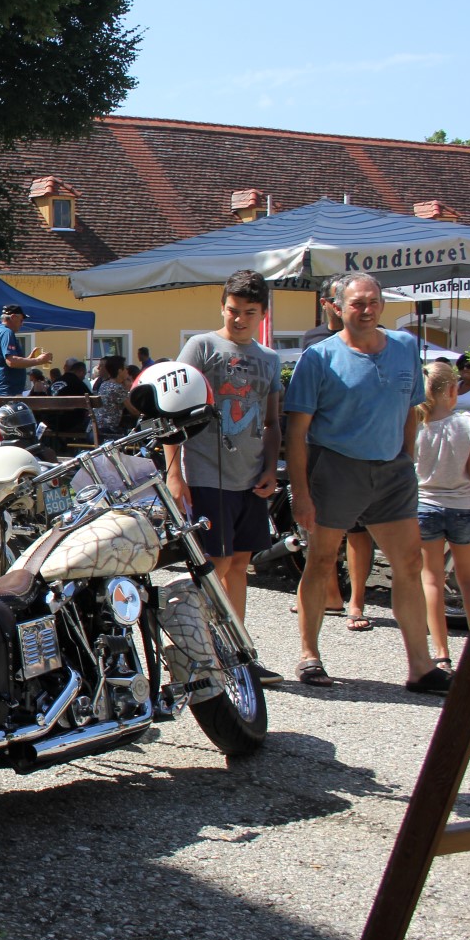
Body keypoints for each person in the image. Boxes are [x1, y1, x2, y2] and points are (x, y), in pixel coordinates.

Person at [284, 272, 442, 693]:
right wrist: (300, 493)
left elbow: (411, 408)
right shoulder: (318, 358)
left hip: (392, 471)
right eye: (357, 303)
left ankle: (421, 667)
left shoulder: (406, 347)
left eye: (373, 301)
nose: (367, 310)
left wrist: (405, 457)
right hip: (337, 468)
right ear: (337, 307)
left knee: (409, 564)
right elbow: (296, 431)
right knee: (320, 561)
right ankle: (309, 655)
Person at [163, 270, 283, 683]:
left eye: (250, 312)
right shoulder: (201, 347)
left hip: (250, 477)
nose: (240, 319)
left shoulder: (270, 359)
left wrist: (271, 468)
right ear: (222, 306)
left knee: (240, 565)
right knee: (215, 563)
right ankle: (203, 650)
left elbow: (271, 422)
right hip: (206, 472)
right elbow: (171, 412)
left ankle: (238, 650)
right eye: (233, 310)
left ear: (262, 313)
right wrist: (173, 475)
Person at [298, 274, 374, 625]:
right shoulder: (314, 341)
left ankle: (357, 601)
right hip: (325, 449)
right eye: (332, 300)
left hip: (361, 447)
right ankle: (331, 596)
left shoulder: (371, 338)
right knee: (323, 533)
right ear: (328, 305)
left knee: (358, 531)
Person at [414, 360, 470, 669]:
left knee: (431, 578)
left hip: (425, 505)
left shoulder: (416, 426)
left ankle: (441, 654)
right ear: (453, 391)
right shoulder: (467, 424)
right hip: (462, 506)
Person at [0, 305, 52, 396]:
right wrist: (39, 360)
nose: (22, 324)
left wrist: (29, 358)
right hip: (7, 392)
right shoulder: (7, 333)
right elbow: (11, 362)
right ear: (13, 317)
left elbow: (8, 363)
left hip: (4, 391)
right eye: (21, 320)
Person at [92, 356, 138, 437]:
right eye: (125, 368)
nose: (127, 371)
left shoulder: (104, 384)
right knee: (135, 436)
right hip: (106, 431)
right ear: (120, 371)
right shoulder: (118, 388)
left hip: (93, 430)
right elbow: (134, 412)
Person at [49, 357, 93, 436]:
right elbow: (92, 400)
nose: (83, 377)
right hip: (69, 423)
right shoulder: (77, 383)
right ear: (81, 371)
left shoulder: (55, 381)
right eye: (84, 374)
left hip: (51, 422)